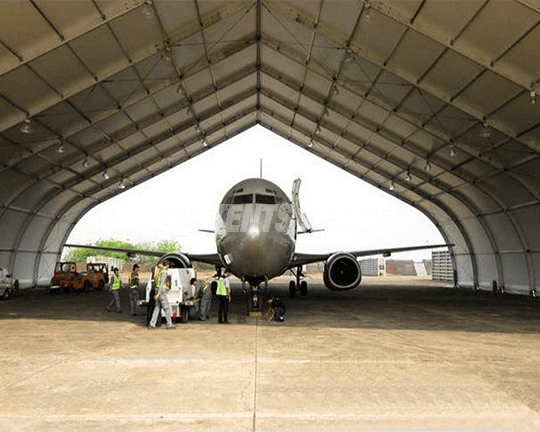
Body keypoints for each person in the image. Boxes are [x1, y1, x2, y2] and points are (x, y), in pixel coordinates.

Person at [148, 261, 176, 329]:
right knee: (167, 309)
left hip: (157, 289)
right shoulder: (163, 272)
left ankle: (152, 324)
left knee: (157, 308)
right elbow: (161, 283)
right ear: (167, 265)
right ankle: (169, 324)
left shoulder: (158, 271)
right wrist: (159, 294)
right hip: (161, 291)